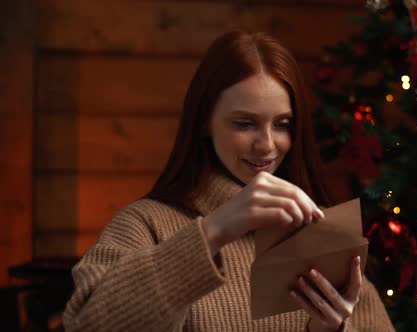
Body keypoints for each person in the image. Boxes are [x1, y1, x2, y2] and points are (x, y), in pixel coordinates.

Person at [62, 31, 395, 332]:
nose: (266, 145)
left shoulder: (323, 234)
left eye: (281, 124)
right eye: (245, 124)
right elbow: (87, 325)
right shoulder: (145, 225)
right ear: (205, 121)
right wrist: (213, 230)